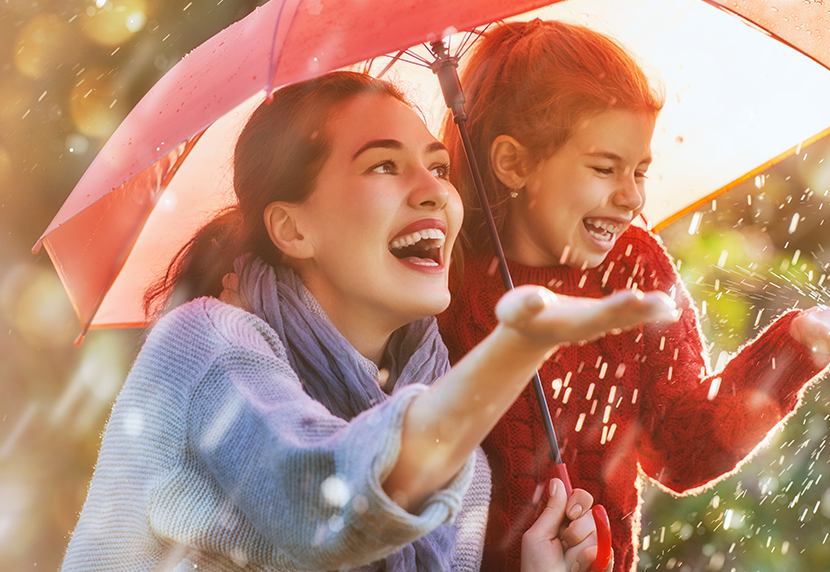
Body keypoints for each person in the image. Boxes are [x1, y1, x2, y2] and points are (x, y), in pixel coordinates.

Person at [59, 71, 678, 571]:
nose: (433, 191)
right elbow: (325, 509)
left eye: (439, 167)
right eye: (384, 165)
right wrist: (517, 349)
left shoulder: (458, 460)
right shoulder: (207, 347)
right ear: (292, 229)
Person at [436, 20, 830, 572]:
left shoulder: (634, 270)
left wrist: (796, 345)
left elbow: (682, 451)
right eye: (605, 169)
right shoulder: (446, 286)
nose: (631, 197)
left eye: (640, 171)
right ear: (514, 164)